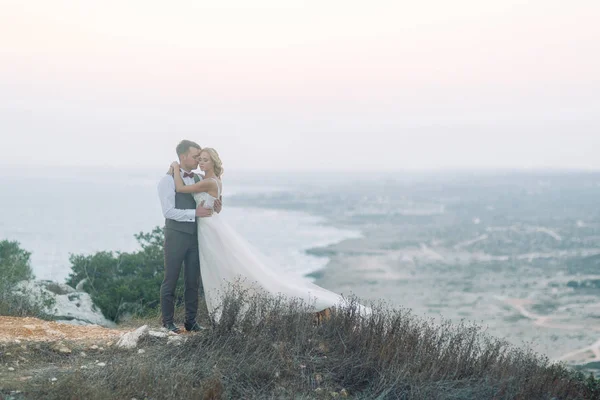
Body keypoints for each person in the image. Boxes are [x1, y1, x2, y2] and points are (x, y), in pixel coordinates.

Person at [169, 147, 370, 323]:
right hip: (210, 226)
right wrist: (216, 206)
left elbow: (180, 188)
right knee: (220, 269)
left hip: (209, 229)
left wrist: (176, 168)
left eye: (205, 159)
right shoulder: (213, 180)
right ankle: (225, 311)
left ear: (213, 161)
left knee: (220, 269)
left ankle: (226, 312)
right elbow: (218, 207)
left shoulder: (209, 182)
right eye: (200, 159)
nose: (201, 163)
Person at [157, 140, 222, 333]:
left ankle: (191, 322)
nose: (197, 161)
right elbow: (168, 212)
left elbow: (209, 198)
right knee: (171, 279)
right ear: (183, 156)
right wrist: (194, 214)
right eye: (195, 157)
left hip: (195, 236)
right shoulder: (167, 181)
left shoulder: (197, 179)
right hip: (176, 235)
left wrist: (216, 206)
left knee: (193, 280)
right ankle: (167, 322)